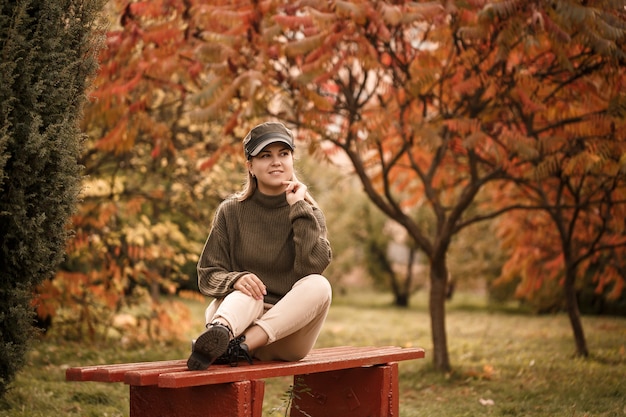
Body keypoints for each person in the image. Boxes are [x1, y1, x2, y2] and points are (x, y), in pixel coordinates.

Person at [187, 121, 333, 371]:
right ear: (250, 167)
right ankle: (219, 335)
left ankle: (235, 347)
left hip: (284, 334)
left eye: (283, 154)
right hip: (237, 318)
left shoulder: (308, 213)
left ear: (291, 160)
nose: (276, 162)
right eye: (266, 155)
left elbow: (312, 267)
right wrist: (235, 280)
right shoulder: (231, 211)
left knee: (320, 285)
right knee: (250, 291)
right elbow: (207, 273)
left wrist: (298, 209)